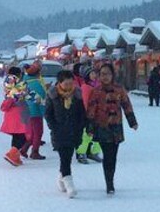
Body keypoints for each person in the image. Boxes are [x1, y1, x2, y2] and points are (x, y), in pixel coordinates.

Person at [86, 63, 138, 194]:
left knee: (113, 156)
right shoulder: (95, 91)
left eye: (108, 74)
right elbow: (91, 110)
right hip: (102, 126)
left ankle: (111, 179)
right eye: (102, 74)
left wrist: (132, 122)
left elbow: (127, 105)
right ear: (99, 75)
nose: (105, 77)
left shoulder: (119, 90)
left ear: (112, 75)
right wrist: (90, 127)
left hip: (116, 127)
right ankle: (109, 183)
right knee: (107, 155)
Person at [44, 70, 86, 199]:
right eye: (66, 84)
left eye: (70, 83)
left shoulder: (77, 95)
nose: (69, 86)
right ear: (60, 83)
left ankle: (61, 178)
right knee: (65, 157)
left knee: (68, 156)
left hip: (74, 131)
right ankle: (70, 185)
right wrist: (54, 127)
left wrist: (81, 126)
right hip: (59, 132)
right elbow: (48, 114)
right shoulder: (53, 95)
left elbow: (81, 113)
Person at [0, 67, 30, 167]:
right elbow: (23, 95)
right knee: (23, 137)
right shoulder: (18, 84)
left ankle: (15, 156)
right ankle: (12, 154)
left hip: (11, 113)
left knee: (16, 136)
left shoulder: (8, 83)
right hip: (18, 113)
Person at [21, 61, 47, 160]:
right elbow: (41, 100)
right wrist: (45, 112)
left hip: (27, 111)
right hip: (36, 112)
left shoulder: (24, 82)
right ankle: (34, 152)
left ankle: (24, 149)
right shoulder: (37, 84)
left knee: (32, 133)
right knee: (38, 132)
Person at [77, 66, 103, 163]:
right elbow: (86, 101)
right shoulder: (86, 87)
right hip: (89, 114)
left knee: (99, 135)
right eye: (92, 73)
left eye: (95, 73)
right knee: (87, 135)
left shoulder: (98, 85)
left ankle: (94, 152)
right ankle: (81, 153)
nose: (94, 75)